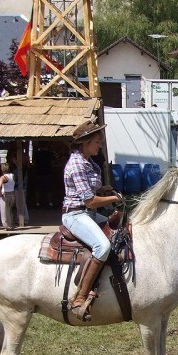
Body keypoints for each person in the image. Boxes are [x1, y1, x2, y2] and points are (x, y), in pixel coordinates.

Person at [62, 121, 121, 321]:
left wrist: (103, 189)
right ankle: (79, 297)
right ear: (85, 143)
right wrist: (114, 199)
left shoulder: (89, 161)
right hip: (76, 214)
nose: (99, 145)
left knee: (120, 229)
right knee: (102, 246)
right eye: (97, 142)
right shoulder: (77, 164)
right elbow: (89, 200)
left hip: (87, 213)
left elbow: (90, 191)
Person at [0, 163, 16, 230]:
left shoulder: (3, 177)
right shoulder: (12, 175)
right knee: (10, 210)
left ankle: (7, 226)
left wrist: (0, 193)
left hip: (5, 195)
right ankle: (11, 224)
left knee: (4, 211)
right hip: (12, 194)